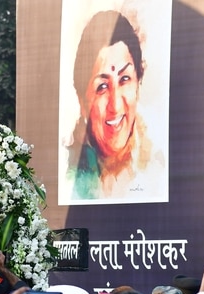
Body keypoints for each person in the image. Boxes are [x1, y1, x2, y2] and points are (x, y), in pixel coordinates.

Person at [65, 10, 164, 199]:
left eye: (125, 79)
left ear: (138, 84)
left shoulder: (156, 165)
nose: (115, 105)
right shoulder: (70, 173)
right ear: (82, 101)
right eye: (102, 86)